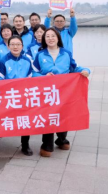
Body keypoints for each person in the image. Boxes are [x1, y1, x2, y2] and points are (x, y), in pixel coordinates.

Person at [32, 27, 90, 157]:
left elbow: (75, 68)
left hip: (64, 91)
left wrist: (86, 70)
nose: (50, 38)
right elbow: (33, 72)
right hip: (47, 92)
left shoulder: (66, 53)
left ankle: (62, 139)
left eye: (53, 36)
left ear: (58, 38)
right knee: (48, 116)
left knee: (63, 115)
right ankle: (47, 145)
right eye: (47, 36)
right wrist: (43, 76)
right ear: (44, 39)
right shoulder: (40, 54)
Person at [0, 36, 34, 156]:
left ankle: (25, 144)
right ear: (8, 46)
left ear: (22, 46)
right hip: (8, 95)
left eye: (18, 44)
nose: (15, 47)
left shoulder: (27, 60)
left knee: (25, 118)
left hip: (23, 95)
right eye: (12, 44)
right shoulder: (3, 61)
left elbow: (30, 78)